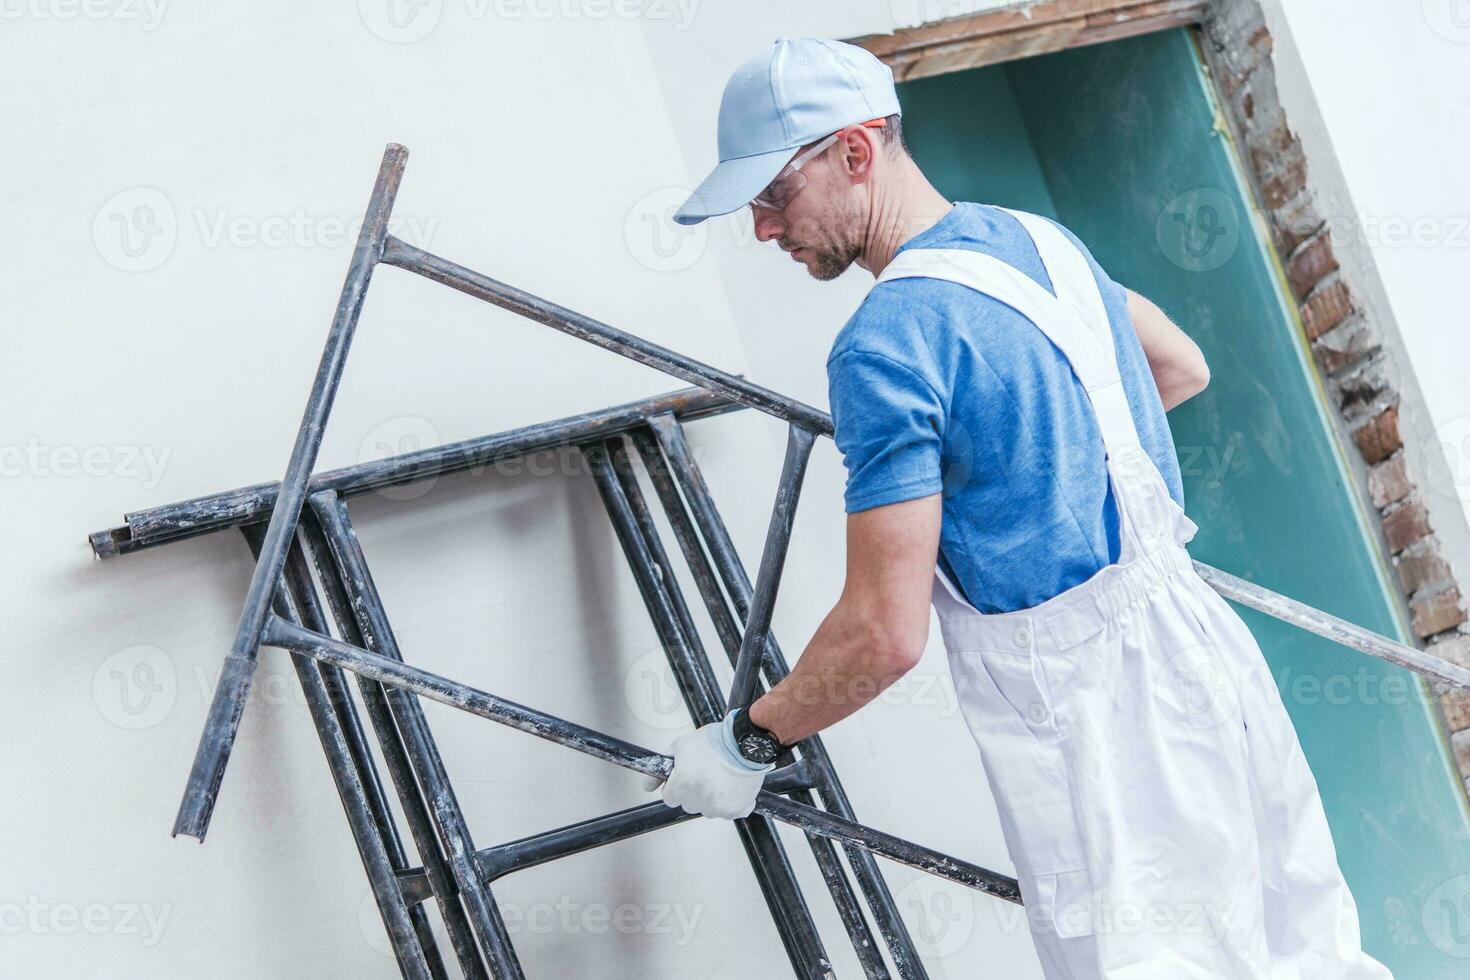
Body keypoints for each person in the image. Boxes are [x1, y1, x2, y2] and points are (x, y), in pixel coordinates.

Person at [652, 36, 1392, 978]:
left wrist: (749, 741)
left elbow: (885, 633)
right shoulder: (1041, 242)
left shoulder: (886, 344)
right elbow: (1178, 365)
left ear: (854, 151)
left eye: (771, 195)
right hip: (1211, 666)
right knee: (1309, 956)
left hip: (1102, 730)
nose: (762, 228)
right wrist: (1031, 469)